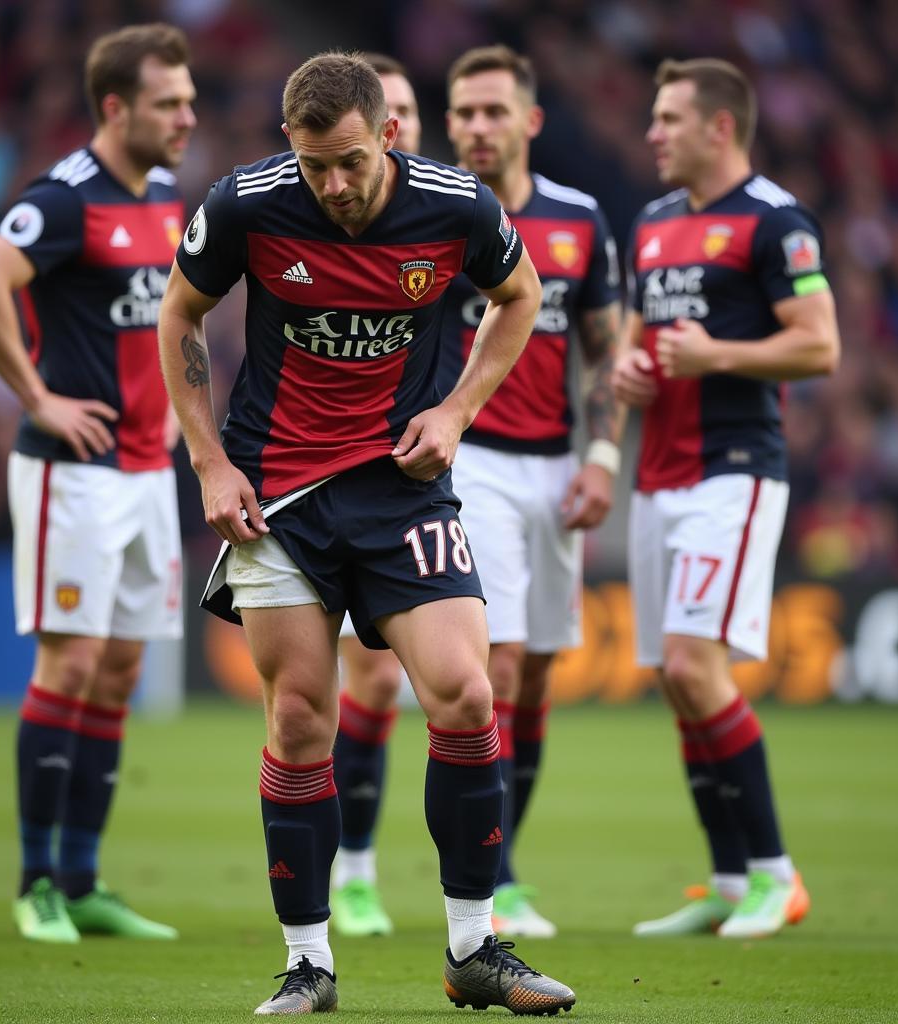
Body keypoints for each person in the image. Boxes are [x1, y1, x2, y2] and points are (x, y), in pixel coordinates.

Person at [157, 52, 576, 1016]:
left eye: (348, 162)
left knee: (469, 696)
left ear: (389, 134)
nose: (332, 187)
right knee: (303, 719)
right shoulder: (245, 204)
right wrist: (210, 463)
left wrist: (460, 412)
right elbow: (181, 310)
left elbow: (521, 298)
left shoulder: (458, 207)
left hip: (402, 493)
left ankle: (474, 949)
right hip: (282, 500)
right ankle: (309, 964)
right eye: (313, 167)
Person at [332, 44, 623, 941]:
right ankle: (384, 874)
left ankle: (506, 866)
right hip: (468, 458)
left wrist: (604, 453)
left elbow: (605, 344)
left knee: (533, 676)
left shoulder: (580, 222)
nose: (476, 128)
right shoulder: (432, 214)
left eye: (493, 112)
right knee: (480, 675)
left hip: (556, 462)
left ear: (529, 121)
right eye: (462, 114)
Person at [0, 23, 196, 944]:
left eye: (189, 99)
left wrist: (179, 406)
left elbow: (178, 316)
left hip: (143, 467)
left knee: (124, 666)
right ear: (115, 107)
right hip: (73, 473)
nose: (187, 117)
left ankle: (86, 879)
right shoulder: (63, 200)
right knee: (73, 662)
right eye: (169, 102)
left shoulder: (169, 200)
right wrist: (39, 397)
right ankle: (35, 881)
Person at [611, 57, 839, 938]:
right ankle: (727, 878)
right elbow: (642, 339)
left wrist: (718, 358)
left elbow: (820, 348)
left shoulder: (776, 222)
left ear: (719, 127)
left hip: (733, 471)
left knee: (696, 667)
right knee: (676, 676)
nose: (652, 133)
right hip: (659, 474)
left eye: (668, 118)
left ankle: (779, 877)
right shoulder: (655, 224)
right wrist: (634, 370)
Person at [330, 53, 421, 940]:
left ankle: (496, 879)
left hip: (472, 466)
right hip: (367, 475)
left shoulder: (454, 217)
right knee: (374, 679)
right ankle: (354, 871)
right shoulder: (339, 221)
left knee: (487, 682)